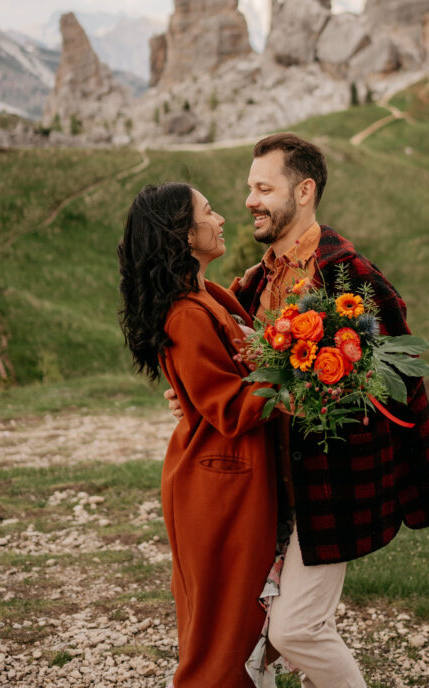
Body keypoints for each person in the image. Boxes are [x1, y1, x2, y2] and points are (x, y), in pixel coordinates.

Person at [167, 133, 429, 688]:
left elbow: (399, 389)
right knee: (249, 632)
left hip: (329, 488)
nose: (249, 200)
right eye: (249, 187)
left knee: (295, 630)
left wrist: (415, 485)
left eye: (263, 188)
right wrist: (191, 391)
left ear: (304, 191)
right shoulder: (253, 283)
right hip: (265, 490)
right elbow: (229, 371)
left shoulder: (350, 278)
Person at [117, 182, 277, 688]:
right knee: (220, 630)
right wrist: (302, 372)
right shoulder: (187, 313)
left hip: (227, 477)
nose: (223, 218)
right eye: (210, 212)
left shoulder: (206, 294)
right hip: (219, 483)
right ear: (184, 235)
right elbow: (229, 408)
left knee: (239, 622)